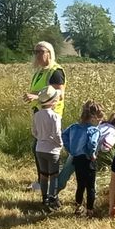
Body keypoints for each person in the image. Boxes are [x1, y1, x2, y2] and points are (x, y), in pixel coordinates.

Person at [23, 41, 65, 190]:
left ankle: (46, 183)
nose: (38, 55)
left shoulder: (55, 71)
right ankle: (44, 181)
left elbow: (59, 94)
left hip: (51, 115)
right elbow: (41, 91)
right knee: (39, 148)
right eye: (36, 52)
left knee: (43, 149)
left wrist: (35, 97)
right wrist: (32, 96)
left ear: (49, 53)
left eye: (41, 51)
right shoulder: (40, 71)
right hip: (40, 114)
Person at [59, 110, 115, 190]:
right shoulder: (113, 132)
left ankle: (51, 193)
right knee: (91, 181)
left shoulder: (104, 124)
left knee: (65, 174)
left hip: (76, 150)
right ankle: (91, 200)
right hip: (87, 155)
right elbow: (105, 147)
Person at [61, 101, 104, 216]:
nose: (100, 122)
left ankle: (78, 206)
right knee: (90, 186)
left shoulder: (74, 127)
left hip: (77, 159)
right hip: (88, 159)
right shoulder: (93, 130)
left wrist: (69, 148)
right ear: (93, 118)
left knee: (80, 184)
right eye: (99, 120)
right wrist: (92, 154)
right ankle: (90, 210)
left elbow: (63, 135)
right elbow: (92, 143)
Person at [31, 86, 63, 210]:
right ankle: (52, 198)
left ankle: (44, 198)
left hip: (40, 148)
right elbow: (57, 133)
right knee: (54, 175)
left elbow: (34, 131)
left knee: (43, 175)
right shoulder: (55, 117)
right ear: (53, 101)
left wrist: (41, 138)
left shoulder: (37, 115)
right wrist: (60, 144)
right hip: (52, 150)